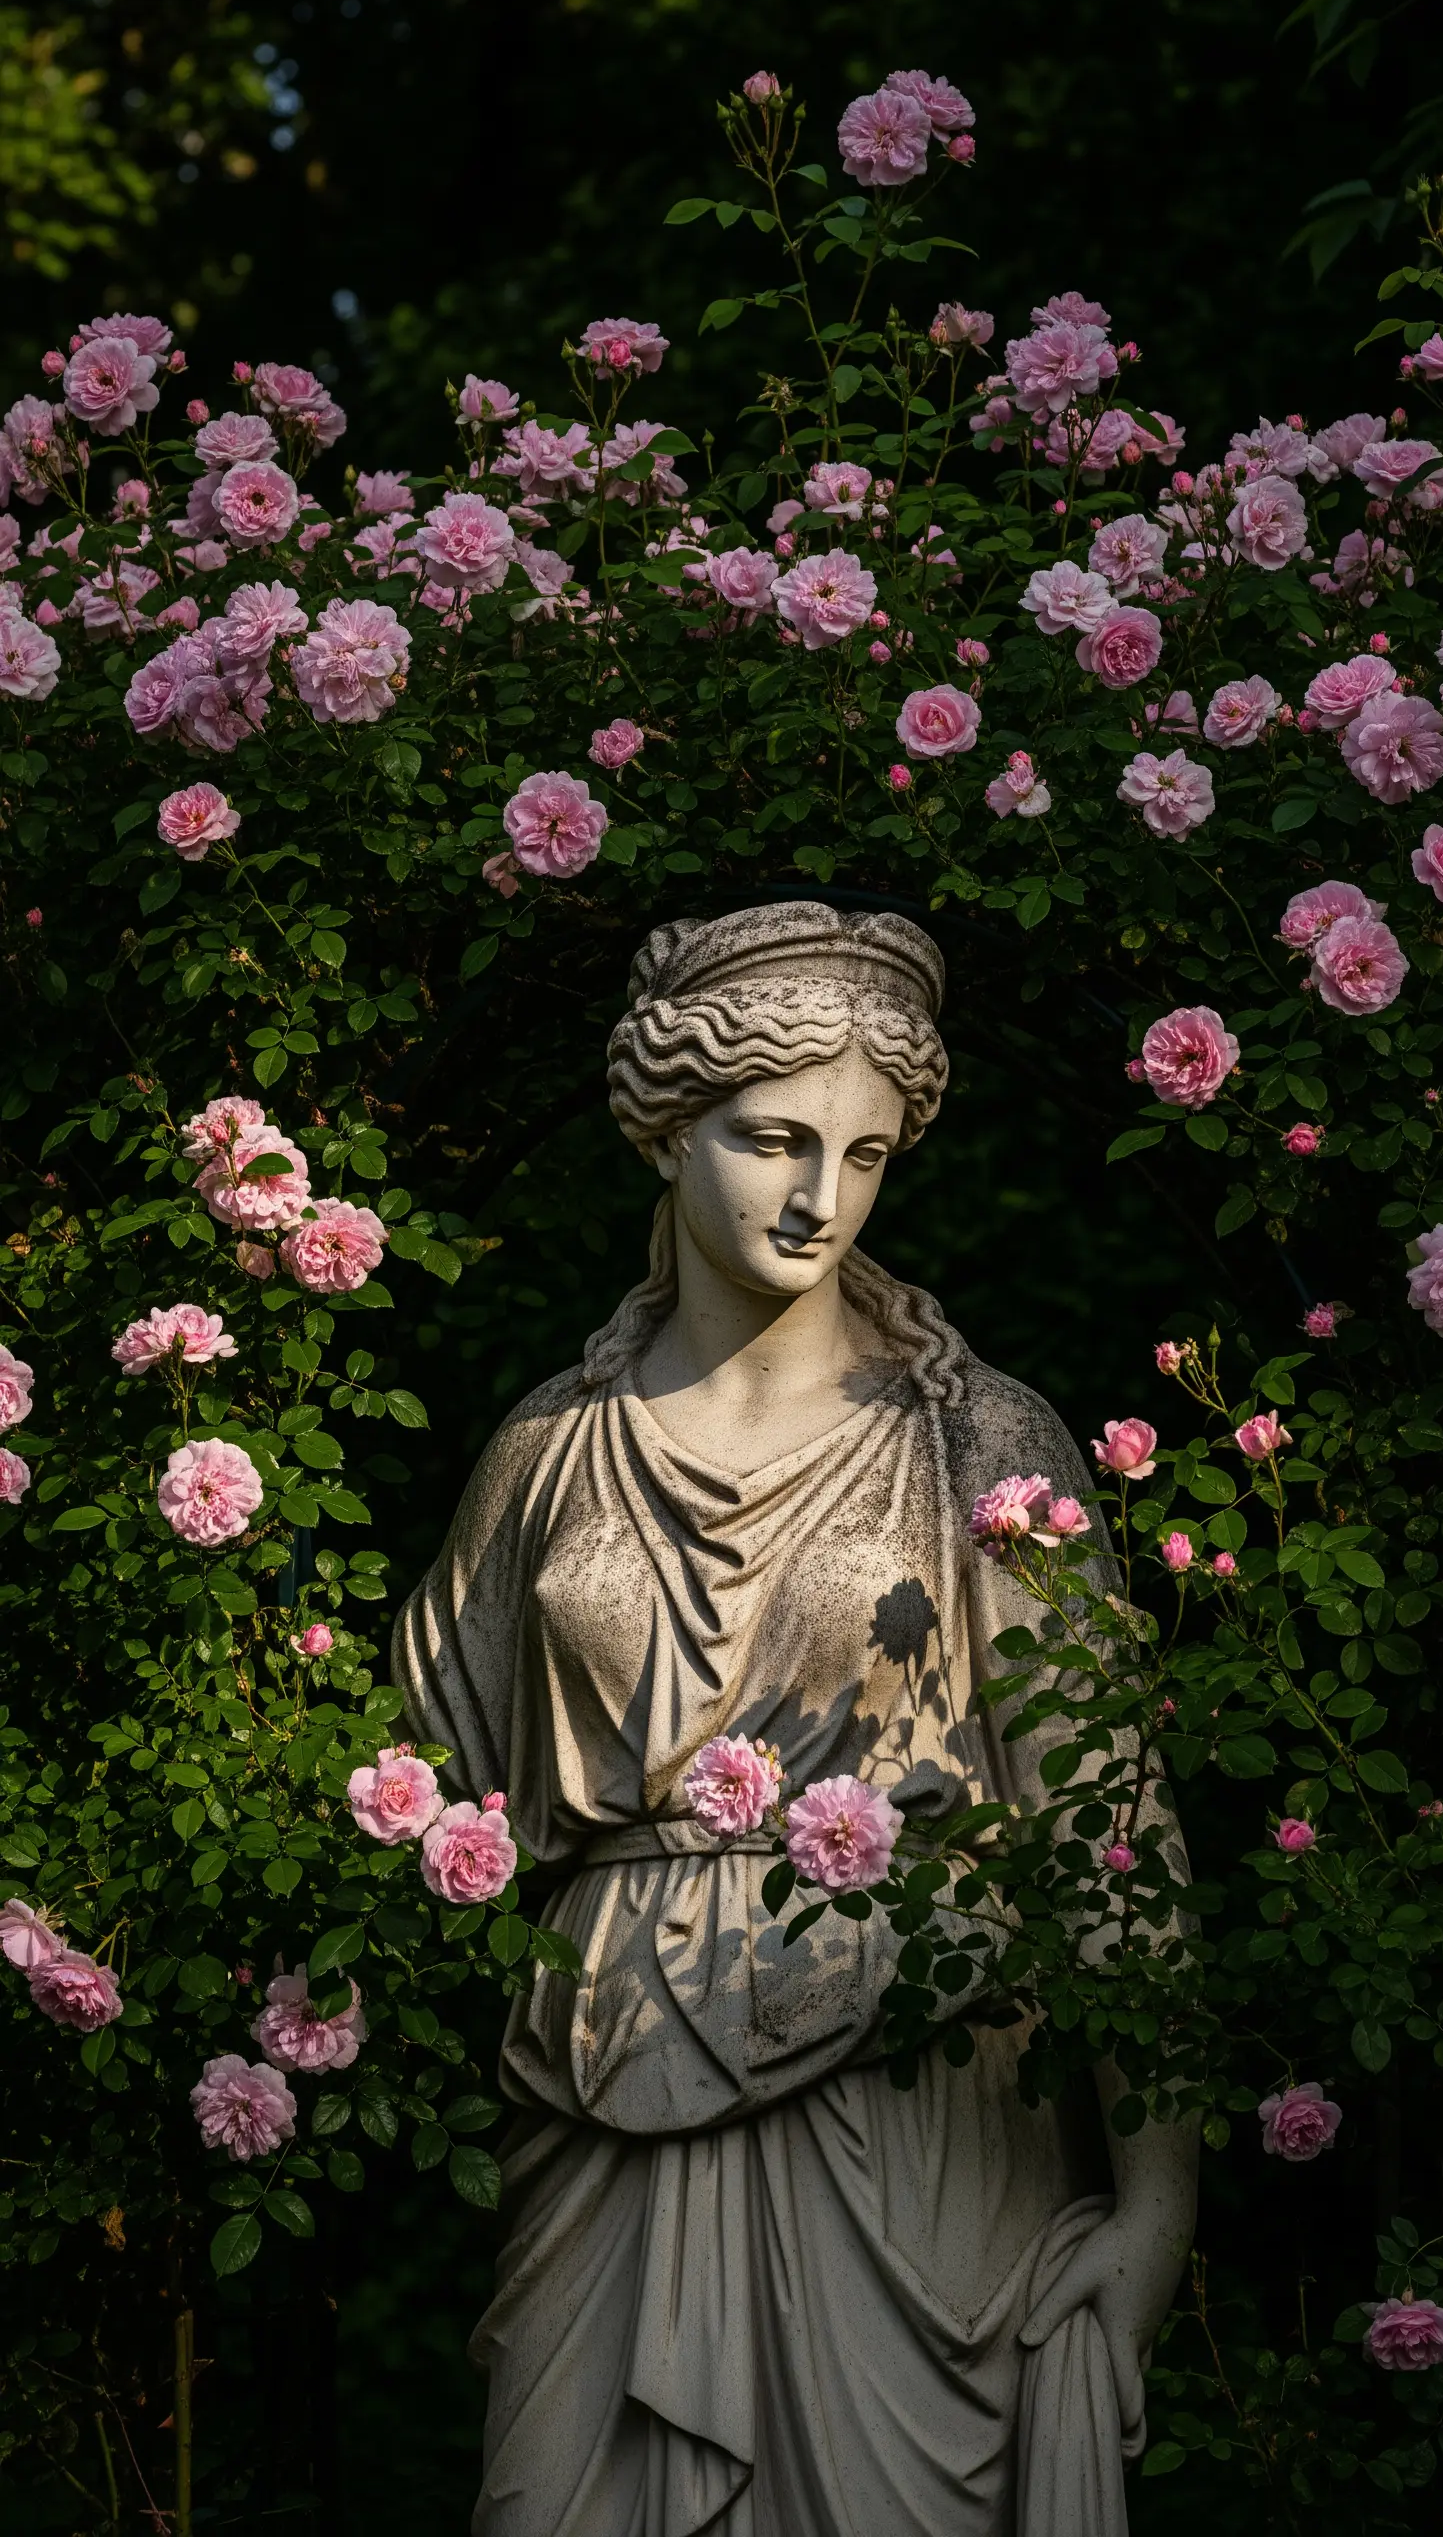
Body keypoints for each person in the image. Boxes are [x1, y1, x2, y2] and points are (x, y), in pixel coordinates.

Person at [396, 900, 1197, 2537]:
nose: (822, 1196)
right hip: (606, 2102)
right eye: (773, 1140)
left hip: (911, 2116)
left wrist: (1157, 2202)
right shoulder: (547, 1456)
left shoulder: (977, 1441)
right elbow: (410, 1803)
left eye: (867, 1154)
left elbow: (1111, 1835)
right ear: (666, 1133)